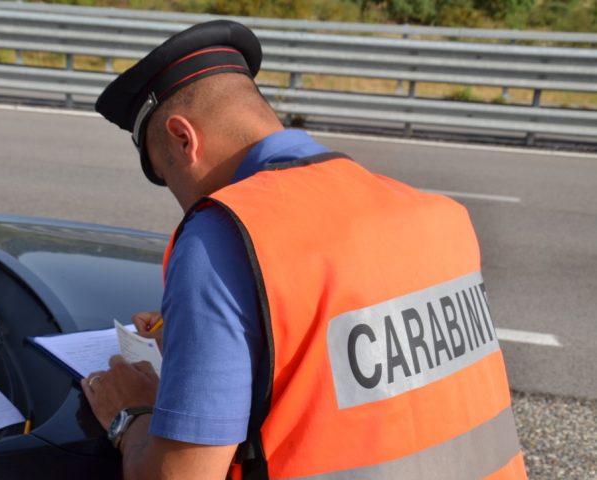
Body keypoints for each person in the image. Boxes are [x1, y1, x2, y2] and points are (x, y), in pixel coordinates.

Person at [85, 20, 527, 480]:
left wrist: (130, 415)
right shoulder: (438, 216)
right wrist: (221, 335)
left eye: (166, 172)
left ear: (183, 138)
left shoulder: (223, 236)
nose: (179, 197)